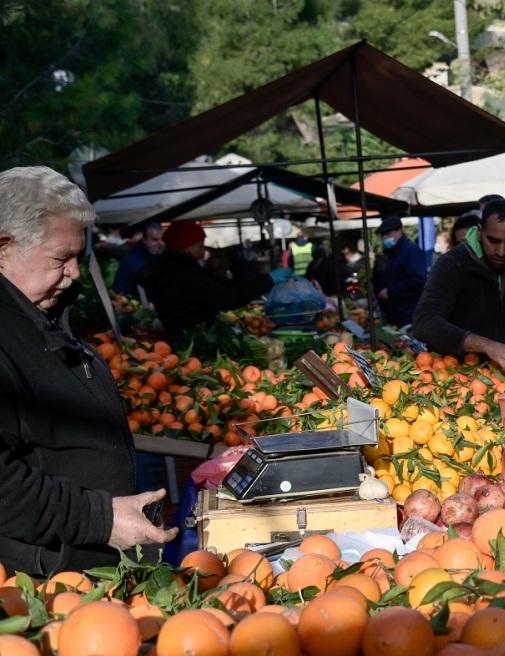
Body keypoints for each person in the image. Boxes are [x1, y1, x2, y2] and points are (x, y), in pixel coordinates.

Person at [0, 166, 176, 576]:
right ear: (3, 249)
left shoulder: (43, 312)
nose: (75, 271)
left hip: (93, 573)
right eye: (60, 258)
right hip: (48, 586)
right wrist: (102, 519)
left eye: (79, 256)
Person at [413, 199, 505, 374]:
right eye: (493, 240)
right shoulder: (452, 264)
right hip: (454, 375)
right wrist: (485, 345)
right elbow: (424, 322)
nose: (501, 252)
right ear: (480, 232)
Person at [140, 221, 291, 343]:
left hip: (186, 340)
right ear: (185, 246)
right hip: (193, 344)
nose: (202, 251)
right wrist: (267, 279)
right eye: (200, 246)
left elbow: (218, 290)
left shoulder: (172, 270)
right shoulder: (183, 274)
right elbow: (226, 299)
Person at [371, 216, 427, 327]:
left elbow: (417, 280)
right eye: (383, 235)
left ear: (399, 232)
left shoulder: (411, 251)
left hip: (409, 313)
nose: (385, 238)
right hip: (396, 314)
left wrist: (390, 292)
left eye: (388, 234)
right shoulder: (393, 252)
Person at [112, 222, 164, 296]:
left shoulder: (169, 260)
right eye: (155, 240)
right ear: (145, 240)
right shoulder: (129, 262)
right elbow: (120, 290)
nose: (160, 243)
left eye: (162, 239)